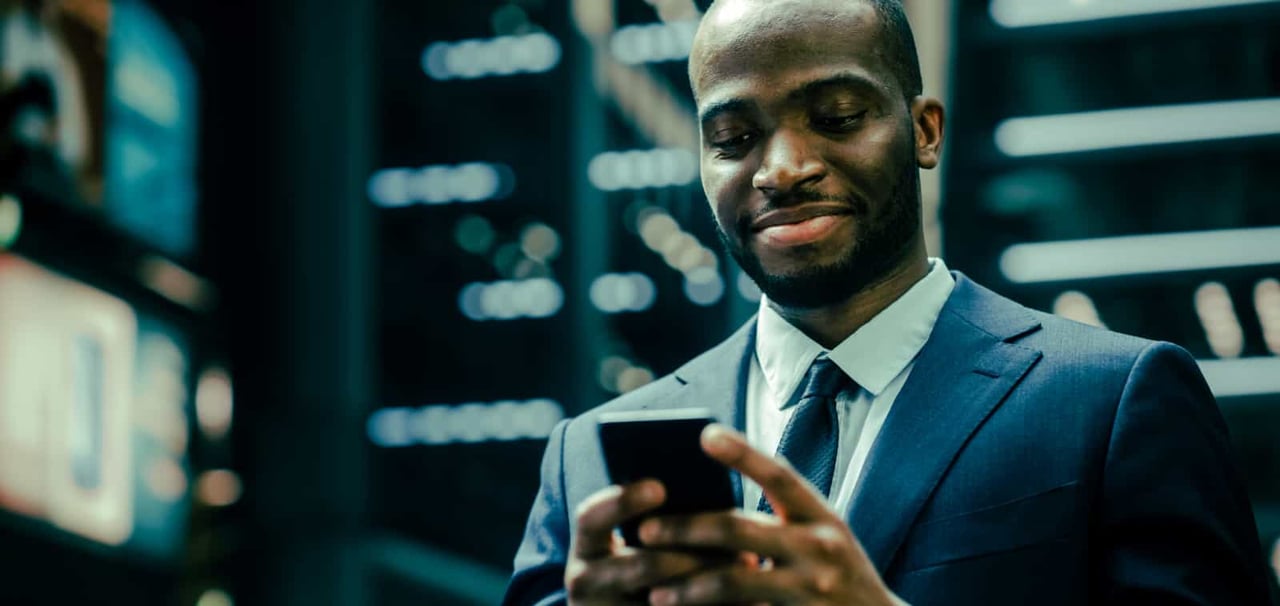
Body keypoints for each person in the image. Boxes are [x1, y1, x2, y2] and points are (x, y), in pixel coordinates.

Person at [503, 0, 1275, 603]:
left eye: (836, 118)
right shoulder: (589, 458)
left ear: (925, 130)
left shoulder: (1112, 403)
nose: (782, 167)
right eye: (734, 138)